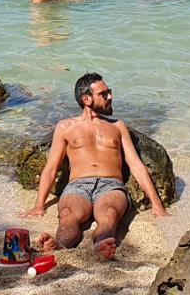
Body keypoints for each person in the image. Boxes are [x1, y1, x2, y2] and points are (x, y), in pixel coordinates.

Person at [22, 73, 168, 259]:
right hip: (77, 186)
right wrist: (38, 206)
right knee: (67, 215)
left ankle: (101, 243)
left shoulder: (118, 126)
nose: (110, 97)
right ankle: (60, 244)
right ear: (86, 99)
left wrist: (157, 204)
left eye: (109, 92)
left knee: (108, 215)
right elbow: (51, 169)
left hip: (111, 186)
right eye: (104, 94)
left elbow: (136, 165)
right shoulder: (65, 127)